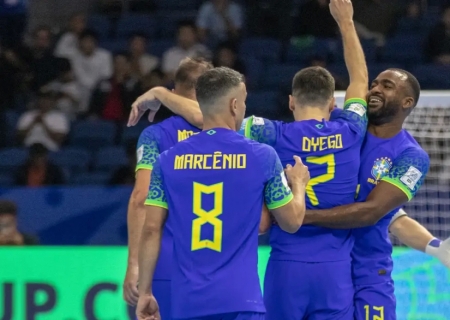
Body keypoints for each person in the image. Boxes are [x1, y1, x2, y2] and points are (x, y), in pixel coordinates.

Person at [132, 0, 368, 318]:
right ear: (332, 103)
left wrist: (160, 93)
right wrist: (346, 23)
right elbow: (360, 81)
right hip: (330, 270)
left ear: (290, 102)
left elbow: (207, 118)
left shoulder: (270, 134)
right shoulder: (350, 129)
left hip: (277, 269)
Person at [136, 67, 310, 320]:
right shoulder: (262, 156)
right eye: (245, 102)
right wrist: (298, 184)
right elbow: (292, 222)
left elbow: (151, 229)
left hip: (188, 304)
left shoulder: (167, 161)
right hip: (241, 301)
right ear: (235, 105)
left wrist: (145, 291)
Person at [303, 68, 430, 320]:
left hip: (368, 270)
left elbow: (374, 212)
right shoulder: (340, 124)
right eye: (374, 83)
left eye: (387, 86)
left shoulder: (410, 156)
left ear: (407, 102)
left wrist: (300, 216)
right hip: (319, 262)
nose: (375, 89)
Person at [122, 57, 213, 320]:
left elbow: (141, 199)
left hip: (169, 260)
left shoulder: (155, 136)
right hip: (223, 259)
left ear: (174, 95)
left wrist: (135, 264)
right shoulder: (235, 131)